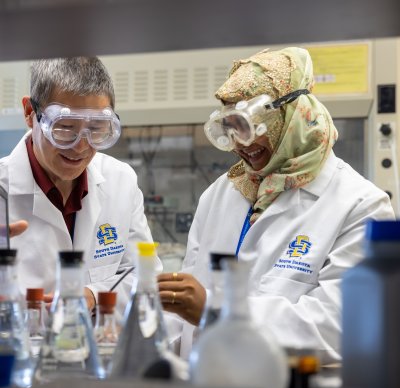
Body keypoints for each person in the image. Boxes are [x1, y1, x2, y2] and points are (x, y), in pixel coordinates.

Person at [157, 47, 395, 364]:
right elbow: (184, 320)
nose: (241, 145)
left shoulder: (361, 205)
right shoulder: (220, 193)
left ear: (292, 115)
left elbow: (340, 325)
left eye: (250, 127)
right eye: (230, 129)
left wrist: (220, 310)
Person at [0, 57, 157, 320]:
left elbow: (144, 275)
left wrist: (94, 296)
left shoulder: (120, 180)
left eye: (96, 129)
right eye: (64, 128)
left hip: (98, 351)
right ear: (30, 113)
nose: (81, 147)